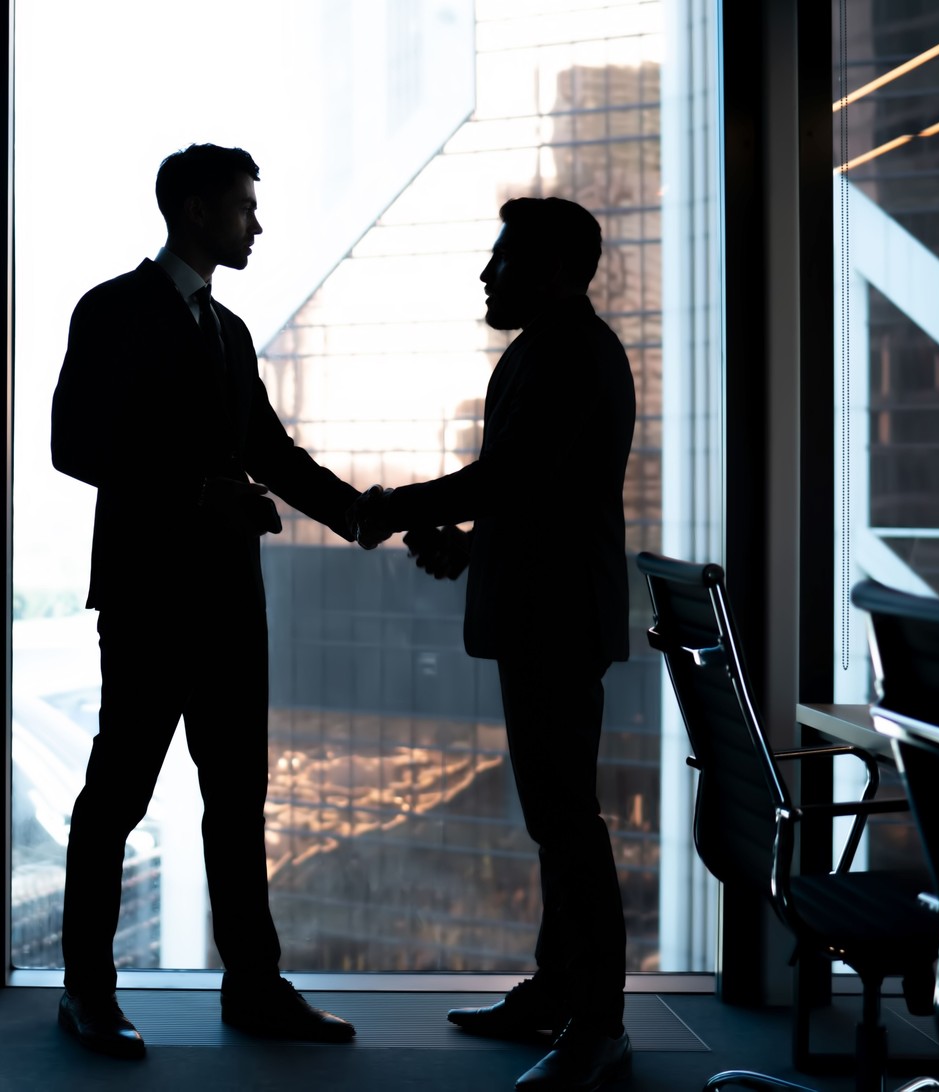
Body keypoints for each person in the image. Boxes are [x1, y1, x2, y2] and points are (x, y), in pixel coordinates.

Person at [49, 143, 368, 1058]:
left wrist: (365, 517)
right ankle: (87, 992)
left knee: (238, 801)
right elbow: (74, 444)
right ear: (195, 210)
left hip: (229, 601)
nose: (257, 224)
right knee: (118, 796)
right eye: (243, 207)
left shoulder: (228, 331)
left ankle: (255, 988)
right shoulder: (111, 309)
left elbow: (271, 453)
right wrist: (198, 494)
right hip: (149, 599)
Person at [353, 196, 637, 1091]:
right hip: (549, 612)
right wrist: (474, 546)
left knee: (568, 824)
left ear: (551, 272)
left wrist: (393, 507)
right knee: (556, 820)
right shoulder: (559, 348)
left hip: (556, 619)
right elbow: (545, 492)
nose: (487, 273)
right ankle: (560, 993)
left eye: (503, 258)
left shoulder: (566, 353)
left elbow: (511, 476)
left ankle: (597, 1023)